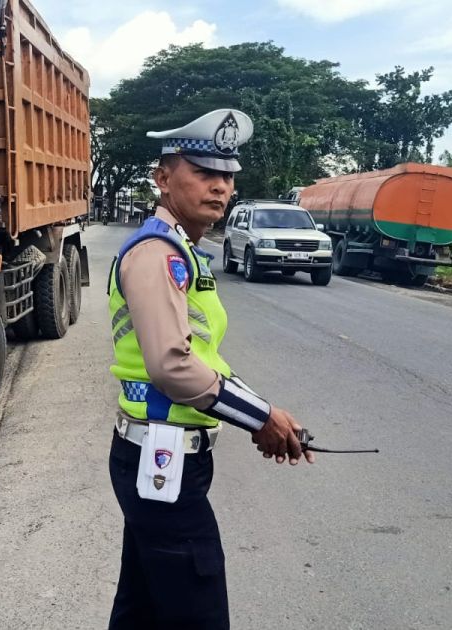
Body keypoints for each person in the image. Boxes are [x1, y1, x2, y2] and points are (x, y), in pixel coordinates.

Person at [106, 109, 314, 629]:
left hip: (161, 457)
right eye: (203, 173)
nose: (220, 187)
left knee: (143, 607)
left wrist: (265, 413)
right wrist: (261, 419)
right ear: (163, 178)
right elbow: (173, 368)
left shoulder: (181, 251)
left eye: (228, 176)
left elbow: (205, 359)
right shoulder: (159, 254)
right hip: (162, 460)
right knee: (197, 611)